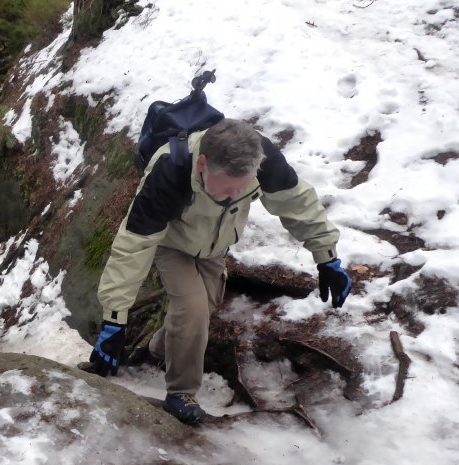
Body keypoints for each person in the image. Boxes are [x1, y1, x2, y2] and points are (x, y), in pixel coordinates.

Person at [88, 118, 352, 426]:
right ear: (202, 164)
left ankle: (159, 350)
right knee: (193, 308)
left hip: (215, 247)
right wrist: (114, 318)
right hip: (171, 244)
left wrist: (327, 258)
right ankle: (181, 393)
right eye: (226, 189)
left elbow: (297, 203)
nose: (233, 196)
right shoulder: (170, 169)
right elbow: (133, 245)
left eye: (241, 189)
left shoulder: (261, 156)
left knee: (206, 307)